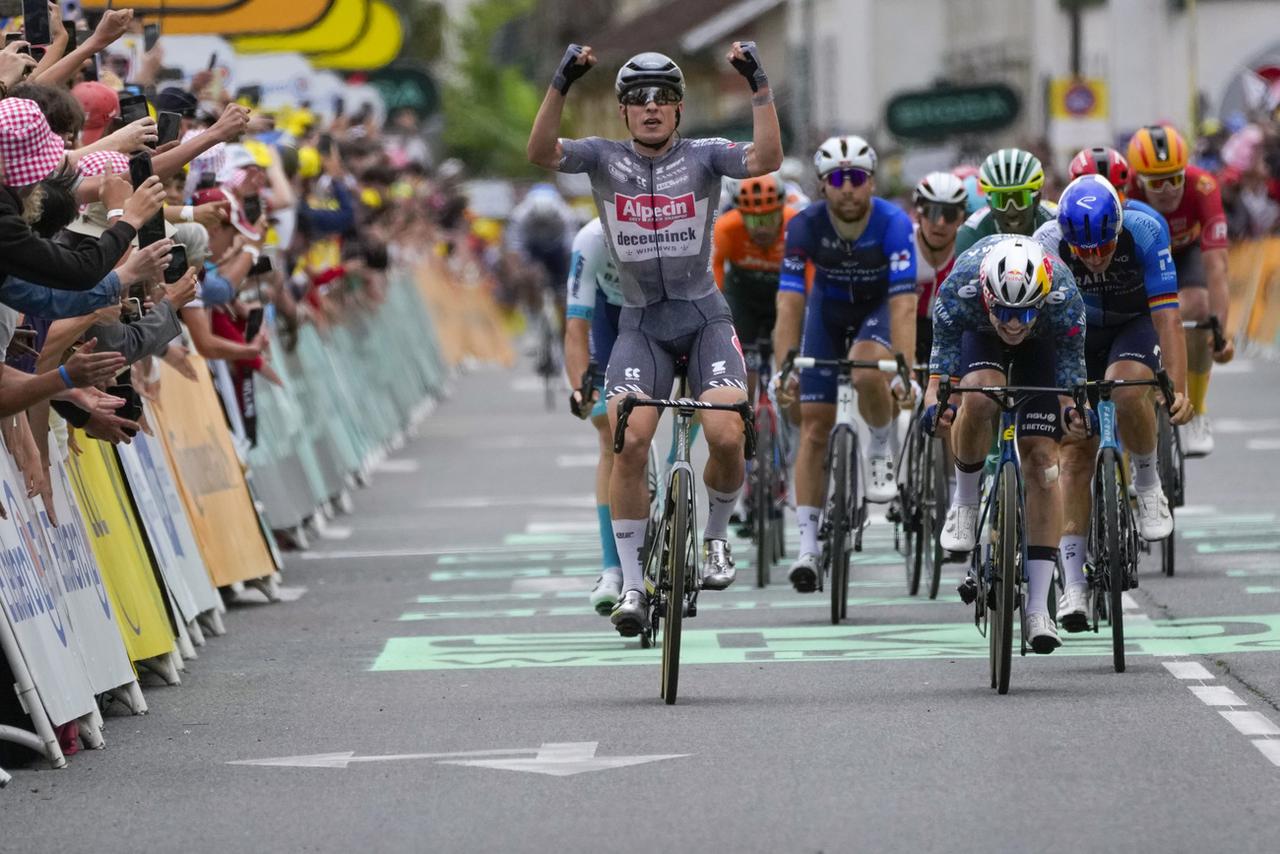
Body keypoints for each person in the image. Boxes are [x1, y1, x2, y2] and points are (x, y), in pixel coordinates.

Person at [527, 41, 783, 636]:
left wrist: (759, 85)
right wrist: (561, 80)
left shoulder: (704, 155)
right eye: (638, 99)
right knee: (629, 441)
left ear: (679, 109)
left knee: (724, 434)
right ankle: (634, 584)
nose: (650, 107)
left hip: (704, 319)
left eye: (663, 99)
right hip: (641, 324)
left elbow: (767, 156)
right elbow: (539, 151)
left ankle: (716, 539)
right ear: (622, 112)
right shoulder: (602, 158)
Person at [1032, 175, 1193, 631]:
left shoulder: (1145, 230)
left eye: (1103, 246)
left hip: (1132, 326)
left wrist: (1176, 389)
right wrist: (1066, 403)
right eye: (1084, 250)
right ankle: (1074, 584)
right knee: (1075, 450)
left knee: (1126, 390)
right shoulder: (1046, 242)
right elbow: (1044, 338)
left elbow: (1167, 318)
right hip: (1073, 335)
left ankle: (1146, 482)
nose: (1096, 257)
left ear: (1117, 227)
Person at [923, 236, 1088, 652]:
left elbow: (1072, 381)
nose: (1014, 324)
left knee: (1042, 460)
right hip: (977, 334)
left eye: (1023, 312)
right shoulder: (958, 288)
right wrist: (935, 409)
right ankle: (964, 502)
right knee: (978, 396)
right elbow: (939, 378)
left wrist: (1072, 413)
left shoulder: (1064, 297)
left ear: (1042, 299)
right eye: (1006, 312)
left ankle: (1037, 607)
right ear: (986, 294)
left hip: (1044, 343)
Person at [773, 135, 916, 593]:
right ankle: (808, 548)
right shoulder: (804, 225)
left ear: (871, 182)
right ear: (822, 186)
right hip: (827, 312)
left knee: (865, 367)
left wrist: (905, 370)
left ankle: (879, 443)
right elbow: (790, 302)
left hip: (878, 310)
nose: (848, 188)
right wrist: (785, 367)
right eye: (837, 179)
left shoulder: (894, 223)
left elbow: (904, 305)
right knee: (814, 426)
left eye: (857, 177)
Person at [1127, 124, 1232, 456]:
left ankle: (1197, 410)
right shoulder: (1126, 192)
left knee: (1197, 308)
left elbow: (1217, 266)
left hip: (1184, 255)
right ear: (1139, 180)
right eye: (1157, 182)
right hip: (1142, 256)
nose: (1169, 189)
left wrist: (1220, 329)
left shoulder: (1203, 186)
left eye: (1175, 178)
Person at [563, 217, 626, 616]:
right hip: (609, 317)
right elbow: (575, 327)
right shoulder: (590, 239)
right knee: (608, 432)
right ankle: (611, 568)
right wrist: (580, 390)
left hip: (662, 314)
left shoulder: (669, 227)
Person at [712, 173, 798, 402]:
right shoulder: (726, 228)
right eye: (752, 220)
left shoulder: (796, 225)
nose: (761, 229)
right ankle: (746, 420)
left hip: (783, 297)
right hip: (744, 297)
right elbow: (715, 281)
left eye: (768, 219)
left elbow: (810, 283)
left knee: (792, 374)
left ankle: (788, 423)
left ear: (782, 209)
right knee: (742, 385)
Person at [910, 171, 968, 366]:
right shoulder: (902, 241)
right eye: (932, 212)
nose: (940, 223)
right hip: (908, 325)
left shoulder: (967, 247)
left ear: (961, 218)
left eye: (950, 215)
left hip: (950, 331)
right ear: (918, 214)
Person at [954, 148, 1057, 255]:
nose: (1011, 212)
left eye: (1020, 199)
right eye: (1000, 201)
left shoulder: (1057, 223)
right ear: (989, 203)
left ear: (1037, 199)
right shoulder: (971, 234)